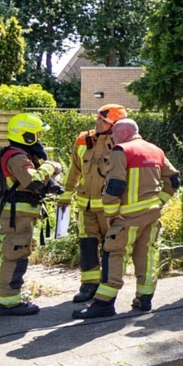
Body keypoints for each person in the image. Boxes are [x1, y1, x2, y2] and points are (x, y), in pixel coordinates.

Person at [73, 119, 180, 319]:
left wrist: (111, 213)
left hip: (127, 217)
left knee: (114, 254)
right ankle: (144, 298)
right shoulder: (155, 150)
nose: (111, 137)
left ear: (124, 133)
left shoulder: (121, 150)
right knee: (146, 254)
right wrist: (160, 201)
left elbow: (115, 184)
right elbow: (174, 180)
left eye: (114, 133)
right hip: (150, 214)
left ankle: (104, 303)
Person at [57, 104, 128, 303]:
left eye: (103, 121)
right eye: (97, 119)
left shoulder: (121, 142)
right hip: (85, 206)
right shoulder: (83, 139)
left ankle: (108, 284)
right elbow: (74, 170)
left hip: (109, 208)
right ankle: (88, 285)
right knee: (87, 244)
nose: (97, 123)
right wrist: (66, 194)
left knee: (111, 247)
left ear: (115, 125)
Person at [0, 113, 63, 316]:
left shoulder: (23, 155)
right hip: (17, 217)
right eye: (37, 134)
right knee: (13, 257)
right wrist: (51, 166)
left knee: (18, 256)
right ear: (26, 136)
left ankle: (10, 298)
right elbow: (32, 182)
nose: (40, 139)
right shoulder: (16, 156)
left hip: (22, 216)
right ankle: (8, 302)